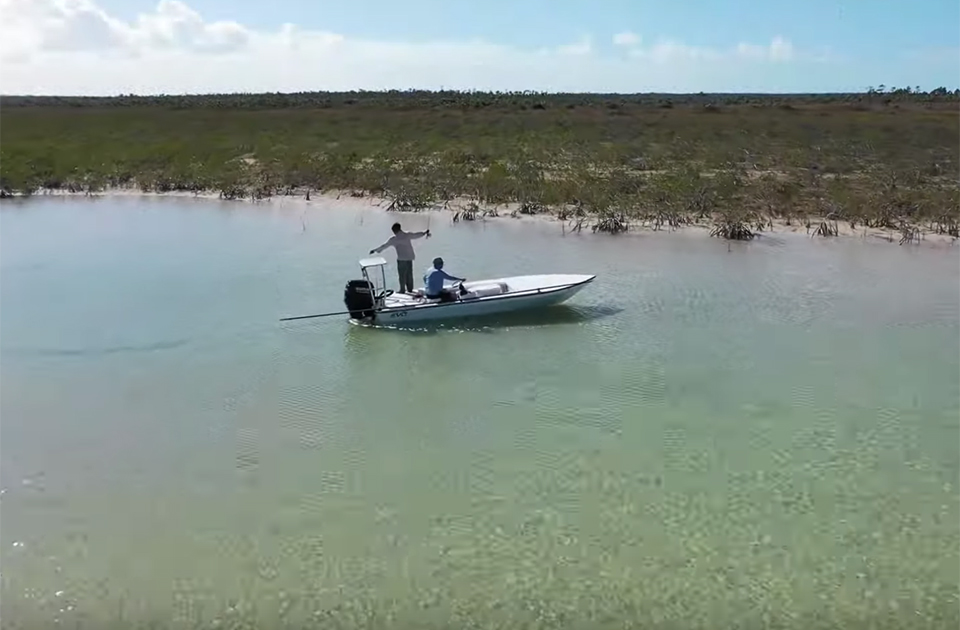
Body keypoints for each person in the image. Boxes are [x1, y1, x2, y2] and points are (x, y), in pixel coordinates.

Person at [369, 222, 431, 293]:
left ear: (395, 230)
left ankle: (402, 289)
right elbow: (416, 235)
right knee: (409, 274)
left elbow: (384, 246)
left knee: (402, 275)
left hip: (401, 259)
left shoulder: (394, 239)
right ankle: (410, 289)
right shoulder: (407, 235)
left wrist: (375, 250)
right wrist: (424, 233)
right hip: (409, 258)